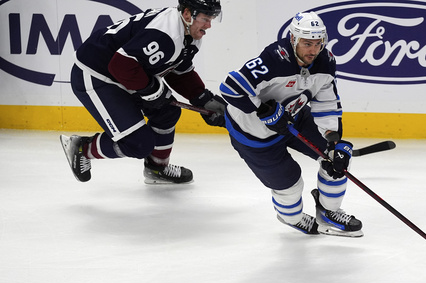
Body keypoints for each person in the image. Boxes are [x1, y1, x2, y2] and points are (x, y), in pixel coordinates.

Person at [219, 12, 363, 237]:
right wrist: (263, 110)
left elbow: (326, 102)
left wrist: (333, 142)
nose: (313, 51)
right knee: (290, 185)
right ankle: (292, 218)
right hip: (253, 135)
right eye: (307, 43)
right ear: (294, 39)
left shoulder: (325, 61)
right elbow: (230, 88)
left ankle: (328, 213)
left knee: (336, 159)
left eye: (318, 44)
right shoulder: (274, 59)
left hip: (293, 117)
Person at [60, 0, 226, 184]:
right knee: (138, 144)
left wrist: (202, 98)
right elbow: (121, 65)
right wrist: (152, 91)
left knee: (167, 113)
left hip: (124, 74)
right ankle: (82, 148)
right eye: (205, 18)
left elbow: (178, 71)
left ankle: (157, 169)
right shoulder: (166, 34)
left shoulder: (188, 35)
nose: (209, 25)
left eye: (212, 19)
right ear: (187, 14)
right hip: (96, 75)